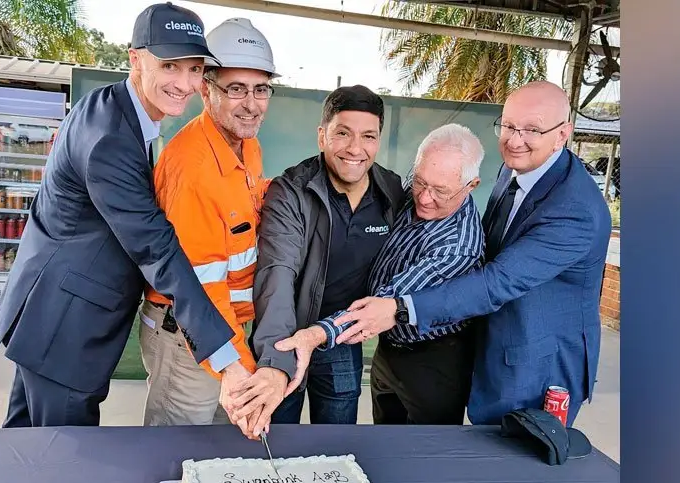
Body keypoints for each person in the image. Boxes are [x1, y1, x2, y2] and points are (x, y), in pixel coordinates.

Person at [0, 3, 253, 432]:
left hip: (46, 316)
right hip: (66, 327)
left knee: (24, 450)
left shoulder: (110, 107)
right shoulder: (111, 139)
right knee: (63, 461)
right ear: (136, 58)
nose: (185, 84)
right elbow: (157, 247)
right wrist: (225, 357)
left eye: (194, 69)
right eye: (170, 65)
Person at [331, 81, 612, 427]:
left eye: (533, 129)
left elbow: (498, 281)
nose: (514, 139)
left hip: (535, 362)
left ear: (562, 133)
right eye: (508, 125)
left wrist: (403, 307)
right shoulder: (513, 167)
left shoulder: (577, 209)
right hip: (481, 344)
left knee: (509, 465)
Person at [274, 124, 487, 425]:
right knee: (382, 437)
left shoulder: (458, 246)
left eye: (440, 192)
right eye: (420, 182)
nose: (424, 198)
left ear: (471, 185)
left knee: (421, 451)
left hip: (430, 361)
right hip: (389, 349)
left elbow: (382, 305)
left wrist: (314, 335)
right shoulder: (413, 189)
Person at [232, 85, 405, 433]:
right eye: (343, 133)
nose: (356, 148)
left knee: (336, 444)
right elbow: (277, 273)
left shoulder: (392, 192)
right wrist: (274, 361)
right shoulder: (291, 191)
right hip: (287, 336)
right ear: (322, 135)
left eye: (368, 136)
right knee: (277, 440)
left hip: (340, 338)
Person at [139, 18, 278, 428]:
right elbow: (200, 286)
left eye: (261, 89)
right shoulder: (193, 168)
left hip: (227, 330)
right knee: (176, 452)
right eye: (236, 89)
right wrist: (240, 363)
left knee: (218, 451)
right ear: (206, 90)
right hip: (189, 336)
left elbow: (243, 209)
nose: (251, 104)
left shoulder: (246, 145)